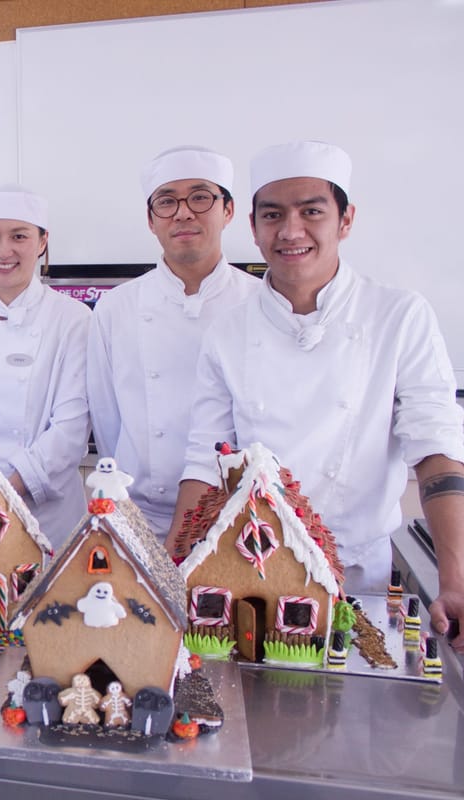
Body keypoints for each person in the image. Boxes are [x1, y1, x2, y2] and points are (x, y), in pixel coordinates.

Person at [166, 140, 464, 651]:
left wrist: (455, 579)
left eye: (311, 212)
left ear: (345, 220)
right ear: (253, 228)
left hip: (359, 573)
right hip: (255, 569)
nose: (290, 231)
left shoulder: (398, 316)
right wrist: (177, 566)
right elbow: (205, 459)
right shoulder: (229, 331)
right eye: (273, 215)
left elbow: (435, 447)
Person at [87, 146, 257, 537]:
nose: (183, 213)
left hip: (235, 523)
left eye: (200, 198)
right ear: (151, 220)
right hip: (137, 518)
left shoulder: (259, 303)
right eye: (166, 202)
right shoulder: (115, 307)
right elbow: (106, 417)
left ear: (228, 210)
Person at [0, 188, 90, 547]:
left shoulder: (73, 319)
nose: (4, 250)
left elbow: (71, 428)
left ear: (42, 242)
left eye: (19, 236)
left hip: (46, 515)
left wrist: (5, 492)